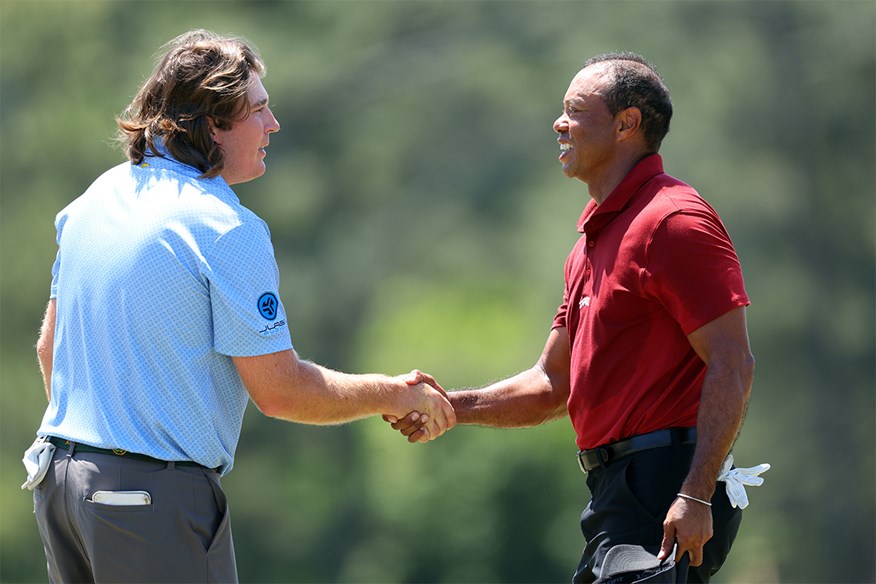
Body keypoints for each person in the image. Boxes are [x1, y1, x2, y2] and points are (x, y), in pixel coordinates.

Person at [27, 29, 453, 584]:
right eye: (257, 111)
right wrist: (393, 393)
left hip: (59, 488)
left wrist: (100, 451)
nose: (273, 125)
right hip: (150, 500)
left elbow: (48, 349)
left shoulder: (95, 198)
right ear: (212, 126)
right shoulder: (226, 227)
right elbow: (281, 392)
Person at [389, 52, 757, 583]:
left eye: (575, 110)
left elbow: (733, 361)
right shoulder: (591, 243)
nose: (559, 124)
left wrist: (695, 492)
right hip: (615, 496)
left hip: (665, 486)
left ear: (627, 123)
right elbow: (552, 383)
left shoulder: (672, 221)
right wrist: (450, 406)